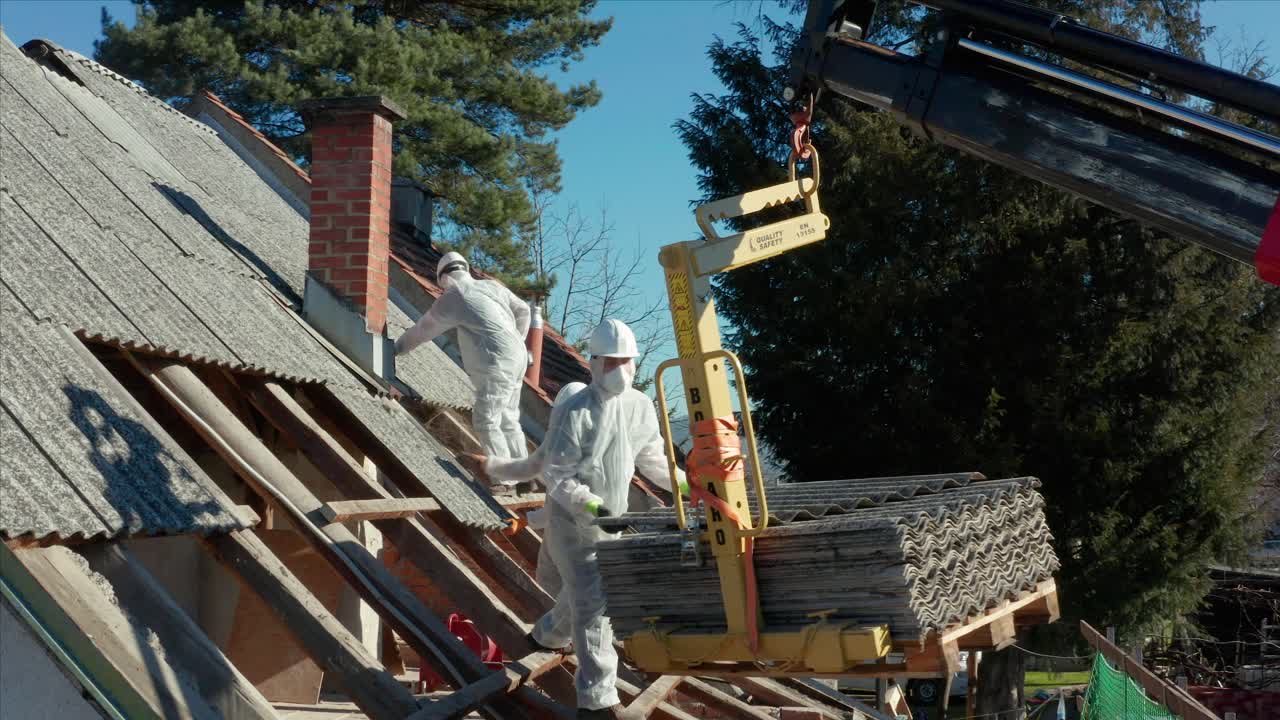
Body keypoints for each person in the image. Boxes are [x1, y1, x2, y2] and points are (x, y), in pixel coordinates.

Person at [540, 319, 686, 719]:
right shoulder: (575, 410)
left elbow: (654, 460)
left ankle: (545, 635)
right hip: (570, 525)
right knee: (593, 603)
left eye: (628, 361)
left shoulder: (639, 407)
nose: (621, 370)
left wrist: (690, 489)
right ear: (594, 363)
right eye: (612, 362)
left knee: (582, 598)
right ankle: (597, 703)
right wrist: (594, 509)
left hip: (609, 523)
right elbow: (556, 476)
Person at [463, 381, 589, 654]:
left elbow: (563, 503)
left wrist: (527, 520)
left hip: (576, 535)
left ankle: (562, 642)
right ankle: (560, 640)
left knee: (570, 593)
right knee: (551, 585)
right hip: (562, 532)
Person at [395, 251, 531, 459]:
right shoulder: (491, 286)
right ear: (465, 269)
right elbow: (524, 310)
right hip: (518, 357)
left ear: (443, 278)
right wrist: (516, 341)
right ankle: (524, 475)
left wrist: (396, 349)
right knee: (508, 418)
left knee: (486, 418)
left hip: (498, 361)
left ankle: (505, 479)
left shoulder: (454, 295)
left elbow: (422, 330)